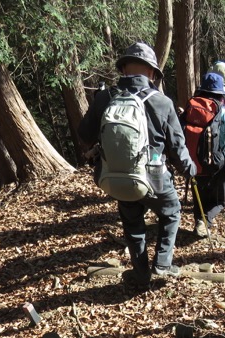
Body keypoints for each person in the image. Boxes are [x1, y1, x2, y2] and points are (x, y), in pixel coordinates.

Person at [78, 42, 196, 285]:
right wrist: (189, 170)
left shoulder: (106, 97)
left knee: (132, 223)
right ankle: (163, 264)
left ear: (123, 69)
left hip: (120, 175)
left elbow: (85, 134)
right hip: (156, 176)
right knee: (171, 212)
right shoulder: (162, 102)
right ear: (152, 72)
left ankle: (140, 272)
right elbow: (176, 145)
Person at [188, 72, 225, 238]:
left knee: (200, 198)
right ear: (221, 95)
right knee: (219, 200)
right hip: (218, 164)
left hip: (194, 163)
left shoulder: (191, 111)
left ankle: (200, 221)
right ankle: (205, 222)